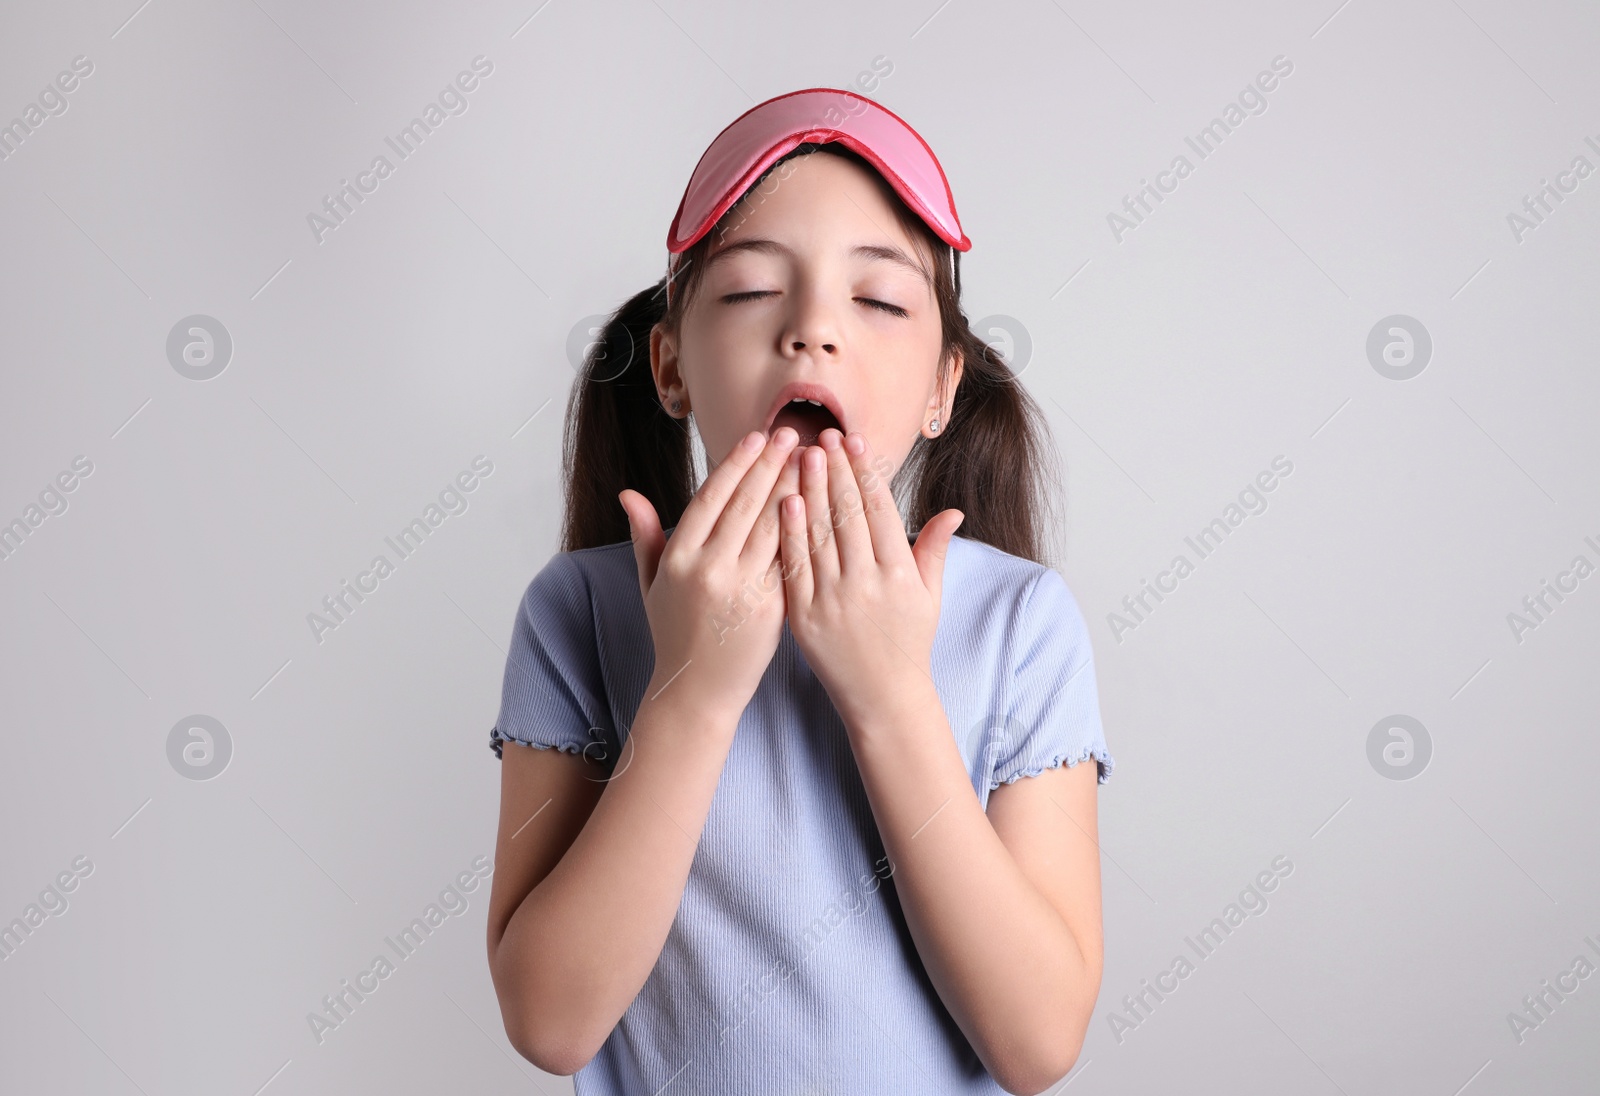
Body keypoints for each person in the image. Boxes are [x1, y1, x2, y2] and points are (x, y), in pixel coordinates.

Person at [483, 87, 1115, 1095]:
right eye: (746, 292)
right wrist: (691, 688)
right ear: (671, 366)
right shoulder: (578, 609)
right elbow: (550, 1021)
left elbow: (1037, 1044)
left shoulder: (1021, 622)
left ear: (943, 387)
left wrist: (888, 692)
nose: (813, 329)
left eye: (877, 300)